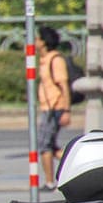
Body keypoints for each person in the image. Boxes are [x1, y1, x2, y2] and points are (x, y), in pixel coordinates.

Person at [37, 26, 72, 190]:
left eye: (37, 39)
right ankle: (73, 161)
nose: (35, 42)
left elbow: (64, 85)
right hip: (47, 108)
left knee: (44, 145)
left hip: (54, 108)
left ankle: (50, 181)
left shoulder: (55, 60)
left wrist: (66, 109)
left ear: (44, 42)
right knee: (49, 145)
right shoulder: (44, 60)